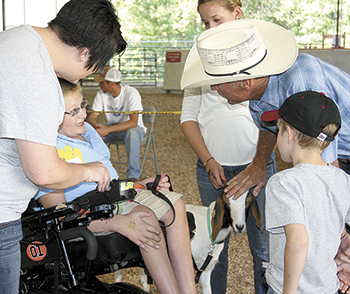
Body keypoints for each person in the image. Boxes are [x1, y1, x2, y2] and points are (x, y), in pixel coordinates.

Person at [181, 19, 350, 291]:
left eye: (218, 82)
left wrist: (340, 240)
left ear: (246, 81)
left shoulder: (302, 88)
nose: (213, 89)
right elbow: (269, 127)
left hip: (338, 157)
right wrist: (259, 165)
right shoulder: (259, 95)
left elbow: (324, 179)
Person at [0, 1, 127, 293]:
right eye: (95, 66)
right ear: (85, 53)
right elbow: (44, 172)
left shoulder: (15, 39)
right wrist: (88, 171)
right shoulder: (38, 76)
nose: (88, 75)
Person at [36, 78, 197, 294]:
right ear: (51, 116)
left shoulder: (88, 133)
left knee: (176, 202)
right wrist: (116, 223)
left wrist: (137, 184)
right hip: (86, 210)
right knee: (145, 217)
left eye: (83, 105)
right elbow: (58, 216)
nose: (83, 114)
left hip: (112, 196)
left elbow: (108, 176)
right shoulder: (46, 150)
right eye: (73, 111)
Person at [180, 1, 276, 293]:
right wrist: (208, 160)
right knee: (215, 253)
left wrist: (259, 165)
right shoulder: (198, 55)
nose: (210, 29)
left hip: (257, 168)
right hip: (214, 170)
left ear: (237, 12)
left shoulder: (258, 49)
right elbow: (188, 117)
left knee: (264, 252)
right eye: (205, 23)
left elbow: (271, 114)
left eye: (216, 20)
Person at [261, 91, 350, 294]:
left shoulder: (284, 183)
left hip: (291, 287)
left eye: (279, 130)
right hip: (328, 287)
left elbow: (298, 241)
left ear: (290, 134)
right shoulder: (342, 179)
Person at [86, 67, 145, 182]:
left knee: (132, 133)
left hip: (133, 130)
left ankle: (133, 176)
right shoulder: (101, 94)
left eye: (101, 83)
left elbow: (133, 123)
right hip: (113, 130)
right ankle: (95, 170)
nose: (99, 85)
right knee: (88, 131)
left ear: (111, 84)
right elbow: (91, 118)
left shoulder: (131, 93)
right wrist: (96, 128)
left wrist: (108, 129)